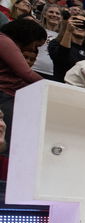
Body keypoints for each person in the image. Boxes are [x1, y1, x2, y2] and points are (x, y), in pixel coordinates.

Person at [0, 18, 46, 155]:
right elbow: (26, 73)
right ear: (28, 36)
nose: (33, 49)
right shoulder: (4, 41)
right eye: (36, 44)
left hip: (9, 96)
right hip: (3, 96)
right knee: (4, 145)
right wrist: (52, 85)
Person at [48, 14, 85, 82]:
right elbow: (61, 57)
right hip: (60, 85)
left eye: (84, 24)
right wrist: (68, 31)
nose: (80, 26)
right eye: (76, 22)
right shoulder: (56, 43)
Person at [32, 3, 61, 79]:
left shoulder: (63, 36)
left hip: (53, 73)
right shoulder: (36, 30)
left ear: (61, 17)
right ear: (44, 14)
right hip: (34, 69)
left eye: (57, 13)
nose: (54, 15)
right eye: (51, 12)